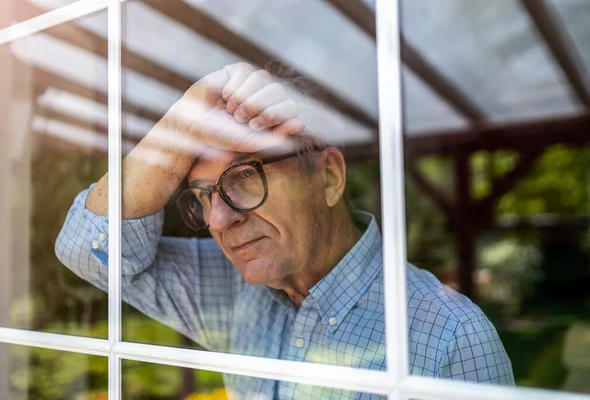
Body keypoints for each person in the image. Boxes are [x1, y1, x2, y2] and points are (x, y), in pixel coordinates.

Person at [55, 62, 515, 399]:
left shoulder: (451, 338)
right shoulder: (230, 288)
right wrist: (185, 116)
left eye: (244, 177)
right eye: (202, 196)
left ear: (330, 177)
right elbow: (86, 249)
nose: (218, 220)